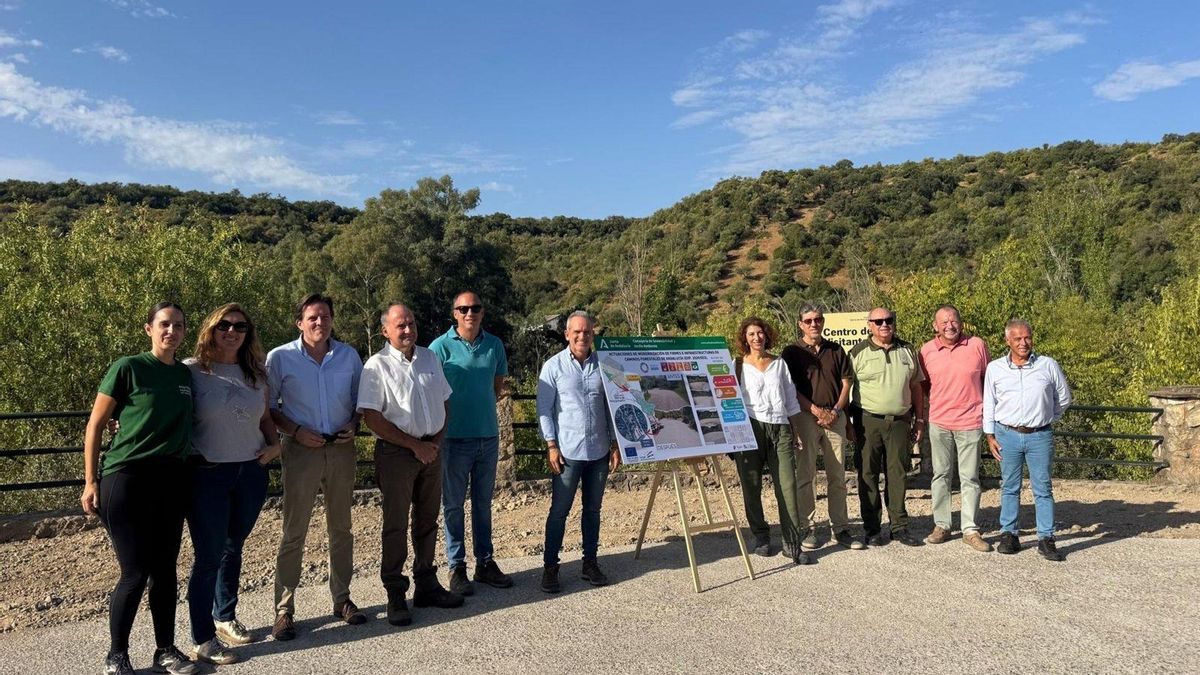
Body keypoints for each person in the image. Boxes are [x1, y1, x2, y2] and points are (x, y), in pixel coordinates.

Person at [81, 302, 199, 675]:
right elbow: (96, 425)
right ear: (148, 328)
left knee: (165, 570)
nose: (172, 331)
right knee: (134, 571)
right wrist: (90, 480)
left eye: (178, 325)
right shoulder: (128, 367)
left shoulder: (185, 375)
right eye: (164, 324)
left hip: (172, 480)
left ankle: (165, 649)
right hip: (127, 478)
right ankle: (117, 655)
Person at [183, 304, 281, 664]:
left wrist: (275, 446)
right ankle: (202, 639)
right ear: (211, 328)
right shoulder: (191, 372)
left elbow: (265, 417)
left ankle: (224, 616)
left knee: (233, 545)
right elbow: (162, 408)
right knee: (208, 556)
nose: (232, 331)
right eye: (224, 324)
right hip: (207, 473)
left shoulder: (255, 374)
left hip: (250, 471)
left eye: (240, 326)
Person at [267, 294, 365, 641]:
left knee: (342, 528)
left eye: (324, 317)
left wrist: (354, 424)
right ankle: (284, 610)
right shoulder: (279, 358)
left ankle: (341, 599)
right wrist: (294, 431)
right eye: (312, 318)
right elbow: (269, 407)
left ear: (332, 320)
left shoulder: (349, 356)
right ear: (300, 323)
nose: (319, 323)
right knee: (294, 531)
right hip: (300, 450)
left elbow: (359, 402)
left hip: (341, 449)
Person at [358, 304, 463, 626]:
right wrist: (415, 446)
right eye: (400, 326)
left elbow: (444, 400)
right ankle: (394, 592)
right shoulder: (375, 367)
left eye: (411, 323)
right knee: (395, 525)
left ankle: (427, 583)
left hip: (431, 450)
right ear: (385, 331)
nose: (408, 330)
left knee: (428, 519)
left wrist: (435, 443)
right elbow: (372, 417)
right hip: (397, 454)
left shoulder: (429, 358)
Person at [430, 291, 513, 595]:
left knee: (482, 505)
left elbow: (496, 387)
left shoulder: (494, 345)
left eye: (475, 308)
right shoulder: (439, 347)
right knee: (452, 506)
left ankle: (485, 563)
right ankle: (456, 567)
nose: (469, 313)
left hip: (487, 437)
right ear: (454, 313)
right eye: (463, 308)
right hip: (452, 439)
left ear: (482, 311)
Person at [536, 310, 622, 592]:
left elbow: (611, 407)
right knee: (559, 511)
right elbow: (544, 410)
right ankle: (550, 567)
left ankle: (590, 563)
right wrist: (551, 445)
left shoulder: (605, 366)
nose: (582, 336)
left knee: (593, 510)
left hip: (598, 451)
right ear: (567, 334)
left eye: (587, 332)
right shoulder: (553, 366)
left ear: (593, 334)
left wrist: (614, 444)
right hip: (567, 453)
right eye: (577, 332)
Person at [984, 319, 1073, 561]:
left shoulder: (1048, 365)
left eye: (1027, 338)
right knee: (1009, 487)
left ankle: (1046, 538)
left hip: (1039, 436)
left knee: (1042, 488)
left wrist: (1046, 417)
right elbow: (989, 402)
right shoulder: (995, 368)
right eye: (1018, 339)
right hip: (1007, 435)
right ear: (1007, 341)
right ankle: (1009, 534)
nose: (1024, 343)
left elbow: (1063, 398)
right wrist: (989, 435)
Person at [780, 303, 864, 551]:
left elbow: (846, 383)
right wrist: (816, 410)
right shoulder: (791, 352)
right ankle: (807, 528)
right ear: (800, 324)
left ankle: (841, 528)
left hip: (835, 416)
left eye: (817, 319)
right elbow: (790, 388)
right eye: (808, 320)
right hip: (806, 417)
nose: (814, 324)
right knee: (806, 475)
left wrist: (837, 411)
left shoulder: (836, 350)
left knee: (837, 475)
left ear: (823, 322)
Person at [732, 317, 813, 566]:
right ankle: (761, 537)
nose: (757, 338)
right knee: (751, 486)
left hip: (781, 429)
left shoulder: (779, 364)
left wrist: (797, 430)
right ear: (744, 338)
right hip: (750, 429)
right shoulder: (736, 365)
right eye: (751, 334)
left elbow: (790, 400)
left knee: (787, 486)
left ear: (767, 336)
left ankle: (792, 544)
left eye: (760, 333)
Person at [848, 307, 926, 547]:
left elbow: (916, 388)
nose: (884, 325)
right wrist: (849, 424)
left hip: (900, 422)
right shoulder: (857, 353)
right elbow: (845, 387)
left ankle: (899, 526)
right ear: (869, 325)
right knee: (868, 475)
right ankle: (872, 529)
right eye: (878, 321)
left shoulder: (908, 350)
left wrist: (920, 419)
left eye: (889, 320)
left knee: (898, 475)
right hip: (867, 422)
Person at [918, 305, 992, 551]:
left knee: (970, 477)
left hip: (971, 421)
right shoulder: (926, 351)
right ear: (935, 326)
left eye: (954, 320)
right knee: (940, 475)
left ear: (961, 322)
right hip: (939, 422)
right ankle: (942, 524)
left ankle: (970, 529)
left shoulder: (977, 345)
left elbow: (987, 381)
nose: (950, 325)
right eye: (944, 322)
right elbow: (926, 386)